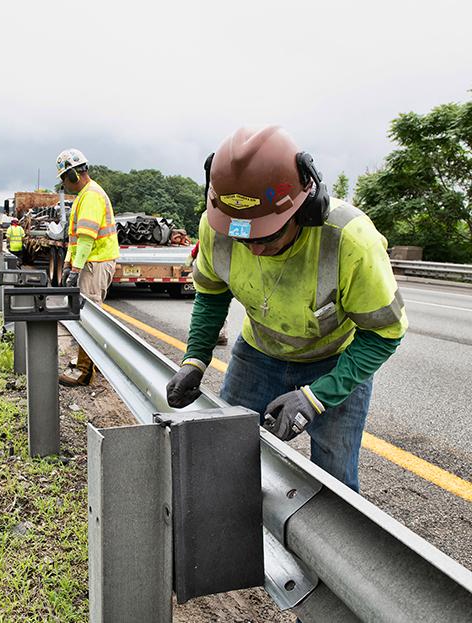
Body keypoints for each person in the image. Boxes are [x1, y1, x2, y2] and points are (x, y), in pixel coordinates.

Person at [166, 126, 407, 492]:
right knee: (225, 456)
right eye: (241, 238)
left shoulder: (351, 241)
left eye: (267, 235)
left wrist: (318, 396)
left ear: (306, 209)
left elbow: (384, 333)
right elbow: (211, 294)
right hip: (257, 357)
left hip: (335, 360)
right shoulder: (217, 228)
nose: (255, 250)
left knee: (335, 481)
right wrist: (194, 361)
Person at [56, 148, 120, 386]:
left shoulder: (91, 195)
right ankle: (89, 363)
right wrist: (67, 263)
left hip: (95, 263)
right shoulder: (84, 195)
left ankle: (85, 371)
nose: (64, 184)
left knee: (89, 315)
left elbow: (86, 238)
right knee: (85, 313)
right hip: (91, 262)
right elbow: (76, 238)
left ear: (72, 175)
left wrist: (75, 269)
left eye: (64, 178)